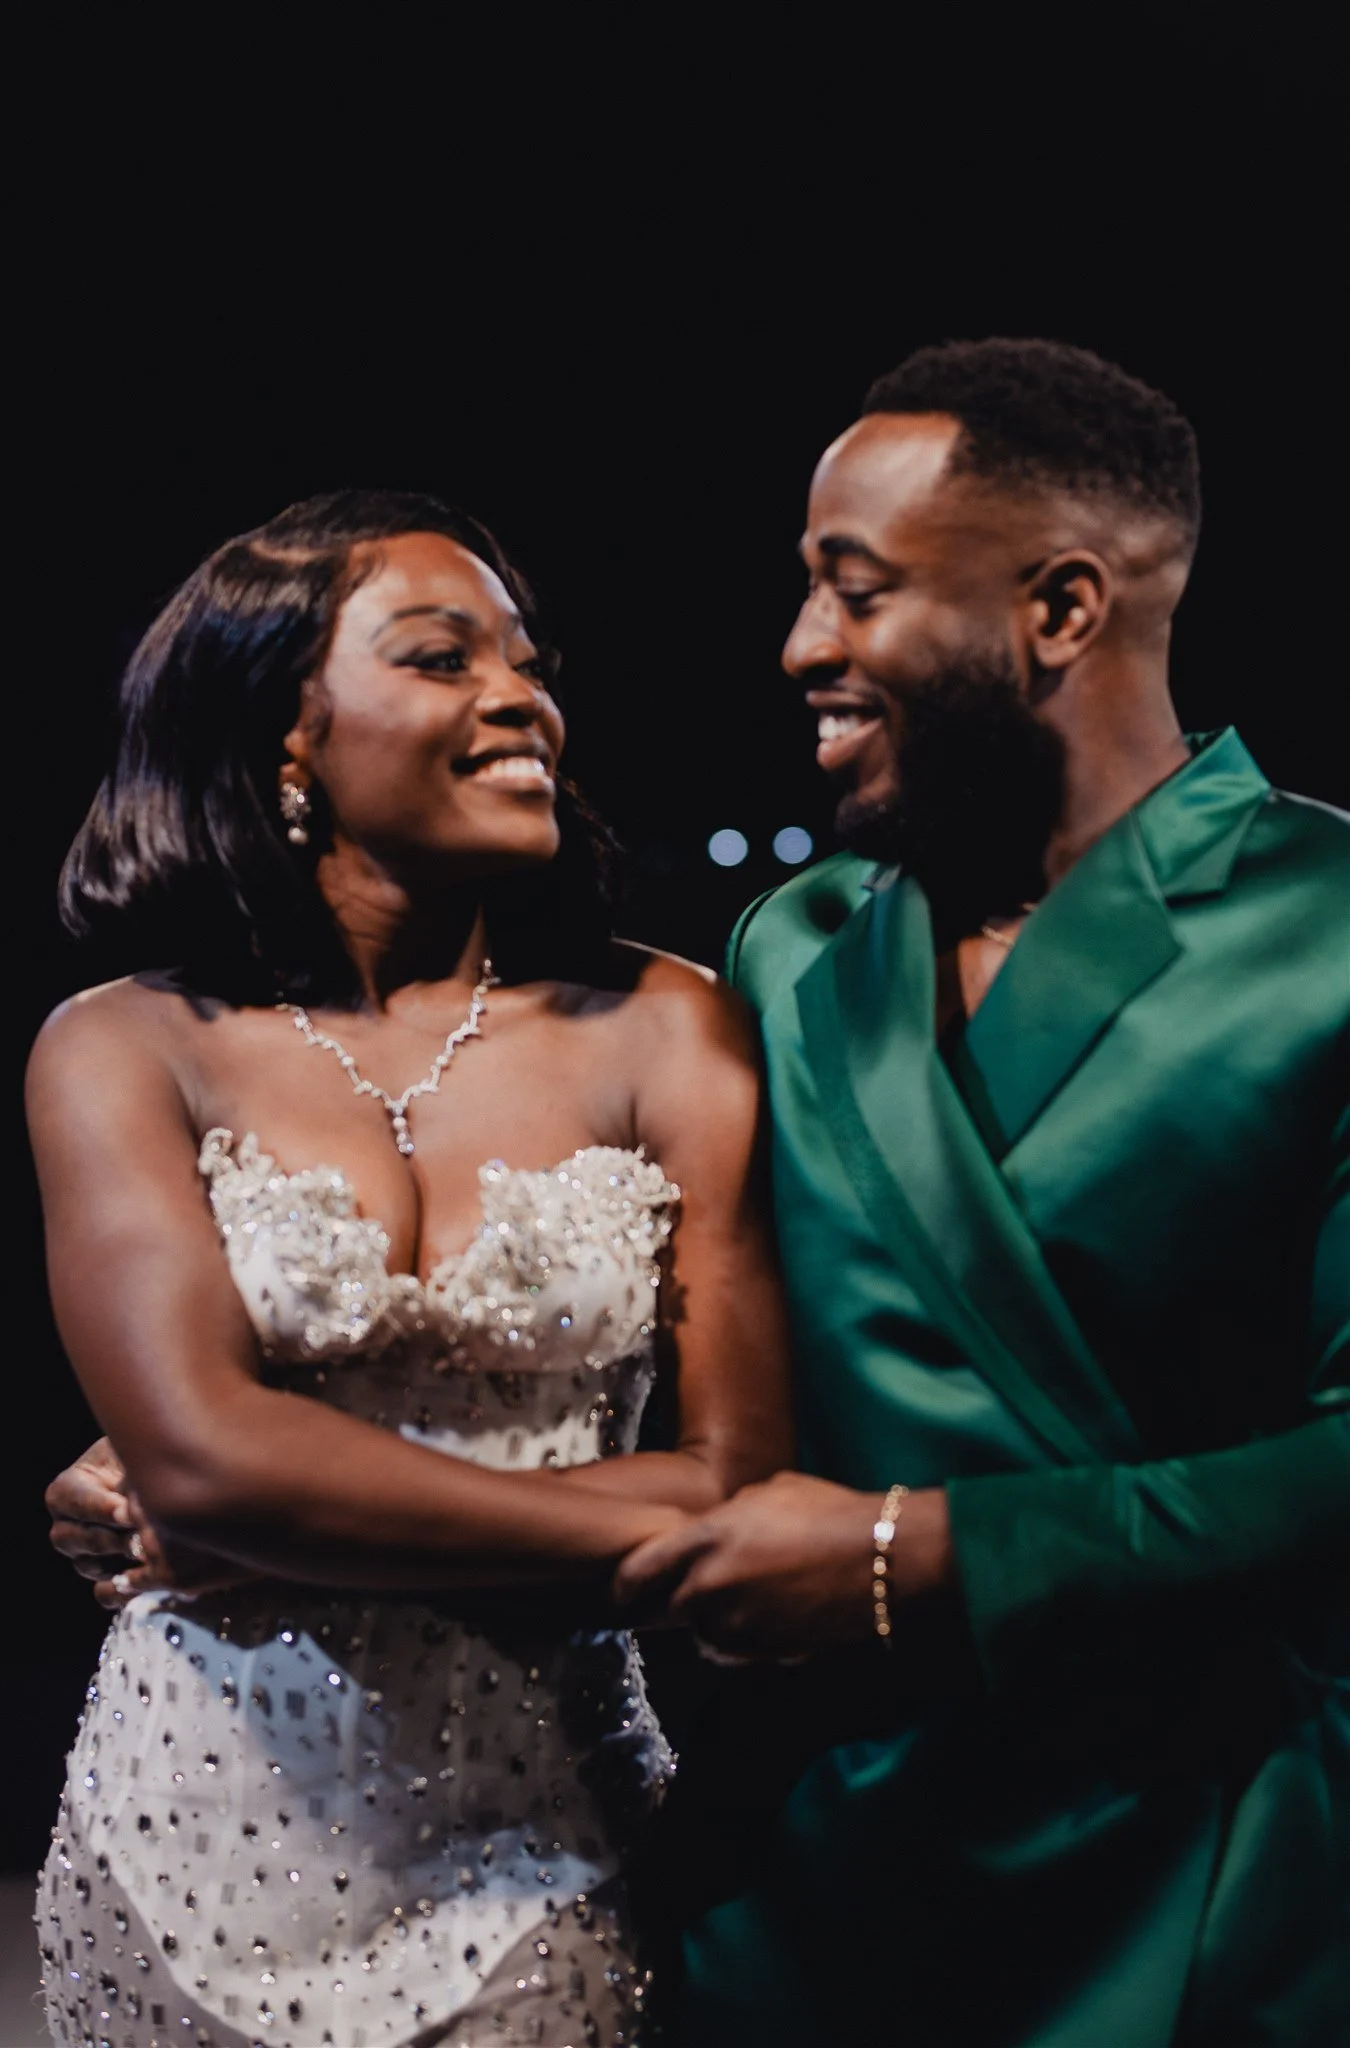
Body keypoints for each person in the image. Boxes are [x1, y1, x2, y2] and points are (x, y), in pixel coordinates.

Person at [615, 339, 1350, 2045]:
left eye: (852, 591)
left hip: (1204, 1873)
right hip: (810, 1872)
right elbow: (677, 1327)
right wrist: (293, 1417)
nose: (801, 647)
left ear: (1063, 609)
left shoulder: (1330, 930)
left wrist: (913, 1553)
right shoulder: (794, 947)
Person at [28, 489, 791, 2048]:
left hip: (550, 1839)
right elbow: (202, 1458)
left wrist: (289, 1518)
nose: (521, 696)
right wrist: (227, 1484)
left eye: (529, 661)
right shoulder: (122, 1045)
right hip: (178, 1839)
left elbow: (739, 1477)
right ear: (283, 736)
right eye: (442, 658)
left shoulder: (671, 1029)